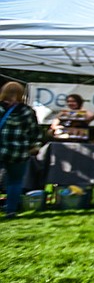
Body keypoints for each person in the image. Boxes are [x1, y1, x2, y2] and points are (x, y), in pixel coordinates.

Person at [1, 82, 43, 219]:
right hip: (18, 152)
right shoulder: (27, 111)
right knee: (15, 181)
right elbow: (34, 133)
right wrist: (34, 146)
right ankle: (11, 210)